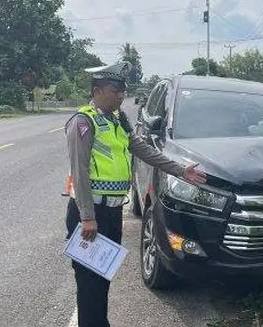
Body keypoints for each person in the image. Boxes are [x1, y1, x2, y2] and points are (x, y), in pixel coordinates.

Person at [63, 62, 206, 327]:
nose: (120, 94)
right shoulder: (83, 123)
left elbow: (141, 149)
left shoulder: (119, 121)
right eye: (115, 89)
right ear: (97, 91)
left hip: (112, 212)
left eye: (122, 89)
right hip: (90, 214)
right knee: (88, 283)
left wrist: (179, 170)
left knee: (103, 277)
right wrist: (87, 217)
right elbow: (79, 173)